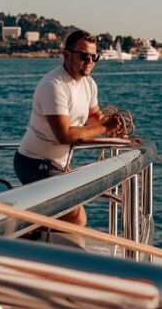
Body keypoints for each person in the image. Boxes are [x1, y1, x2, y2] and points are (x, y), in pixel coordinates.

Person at [14, 29, 119, 226]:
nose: (90, 61)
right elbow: (64, 135)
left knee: (67, 216)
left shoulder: (89, 84)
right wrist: (105, 127)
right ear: (66, 55)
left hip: (58, 165)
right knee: (76, 217)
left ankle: (34, 232)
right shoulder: (54, 86)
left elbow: (94, 117)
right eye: (84, 56)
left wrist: (113, 127)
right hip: (34, 163)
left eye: (94, 57)